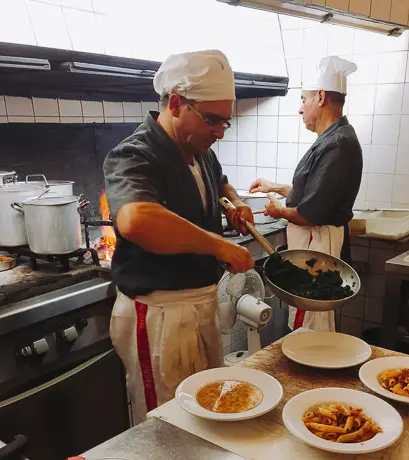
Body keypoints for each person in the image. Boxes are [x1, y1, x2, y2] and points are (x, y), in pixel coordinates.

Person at [104, 49, 254, 424]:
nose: (219, 133)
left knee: (204, 414)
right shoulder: (135, 154)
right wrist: (219, 245)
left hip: (200, 306)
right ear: (175, 103)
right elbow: (137, 219)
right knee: (165, 422)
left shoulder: (197, 148)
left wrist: (234, 204)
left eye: (226, 124)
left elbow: (219, 183)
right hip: (160, 314)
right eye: (213, 121)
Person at [249, 55, 362, 332]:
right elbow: (315, 194)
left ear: (321, 97)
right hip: (315, 239)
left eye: (303, 99)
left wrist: (278, 211)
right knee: (313, 316)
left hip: (315, 242)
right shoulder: (335, 138)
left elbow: (309, 213)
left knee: (309, 318)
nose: (300, 109)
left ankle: (311, 371)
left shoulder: (336, 143)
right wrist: (275, 187)